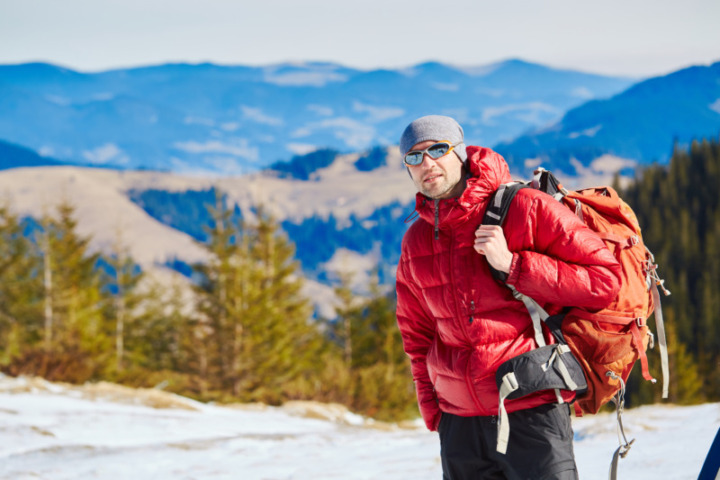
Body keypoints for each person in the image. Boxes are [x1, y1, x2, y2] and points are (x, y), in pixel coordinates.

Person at [394, 115, 622, 480]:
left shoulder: (524, 207)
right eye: (414, 157)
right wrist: (433, 409)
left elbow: (604, 280)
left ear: (462, 153)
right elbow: (416, 334)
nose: (427, 164)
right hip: (460, 424)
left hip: (531, 409)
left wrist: (514, 265)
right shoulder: (417, 240)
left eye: (438, 149)